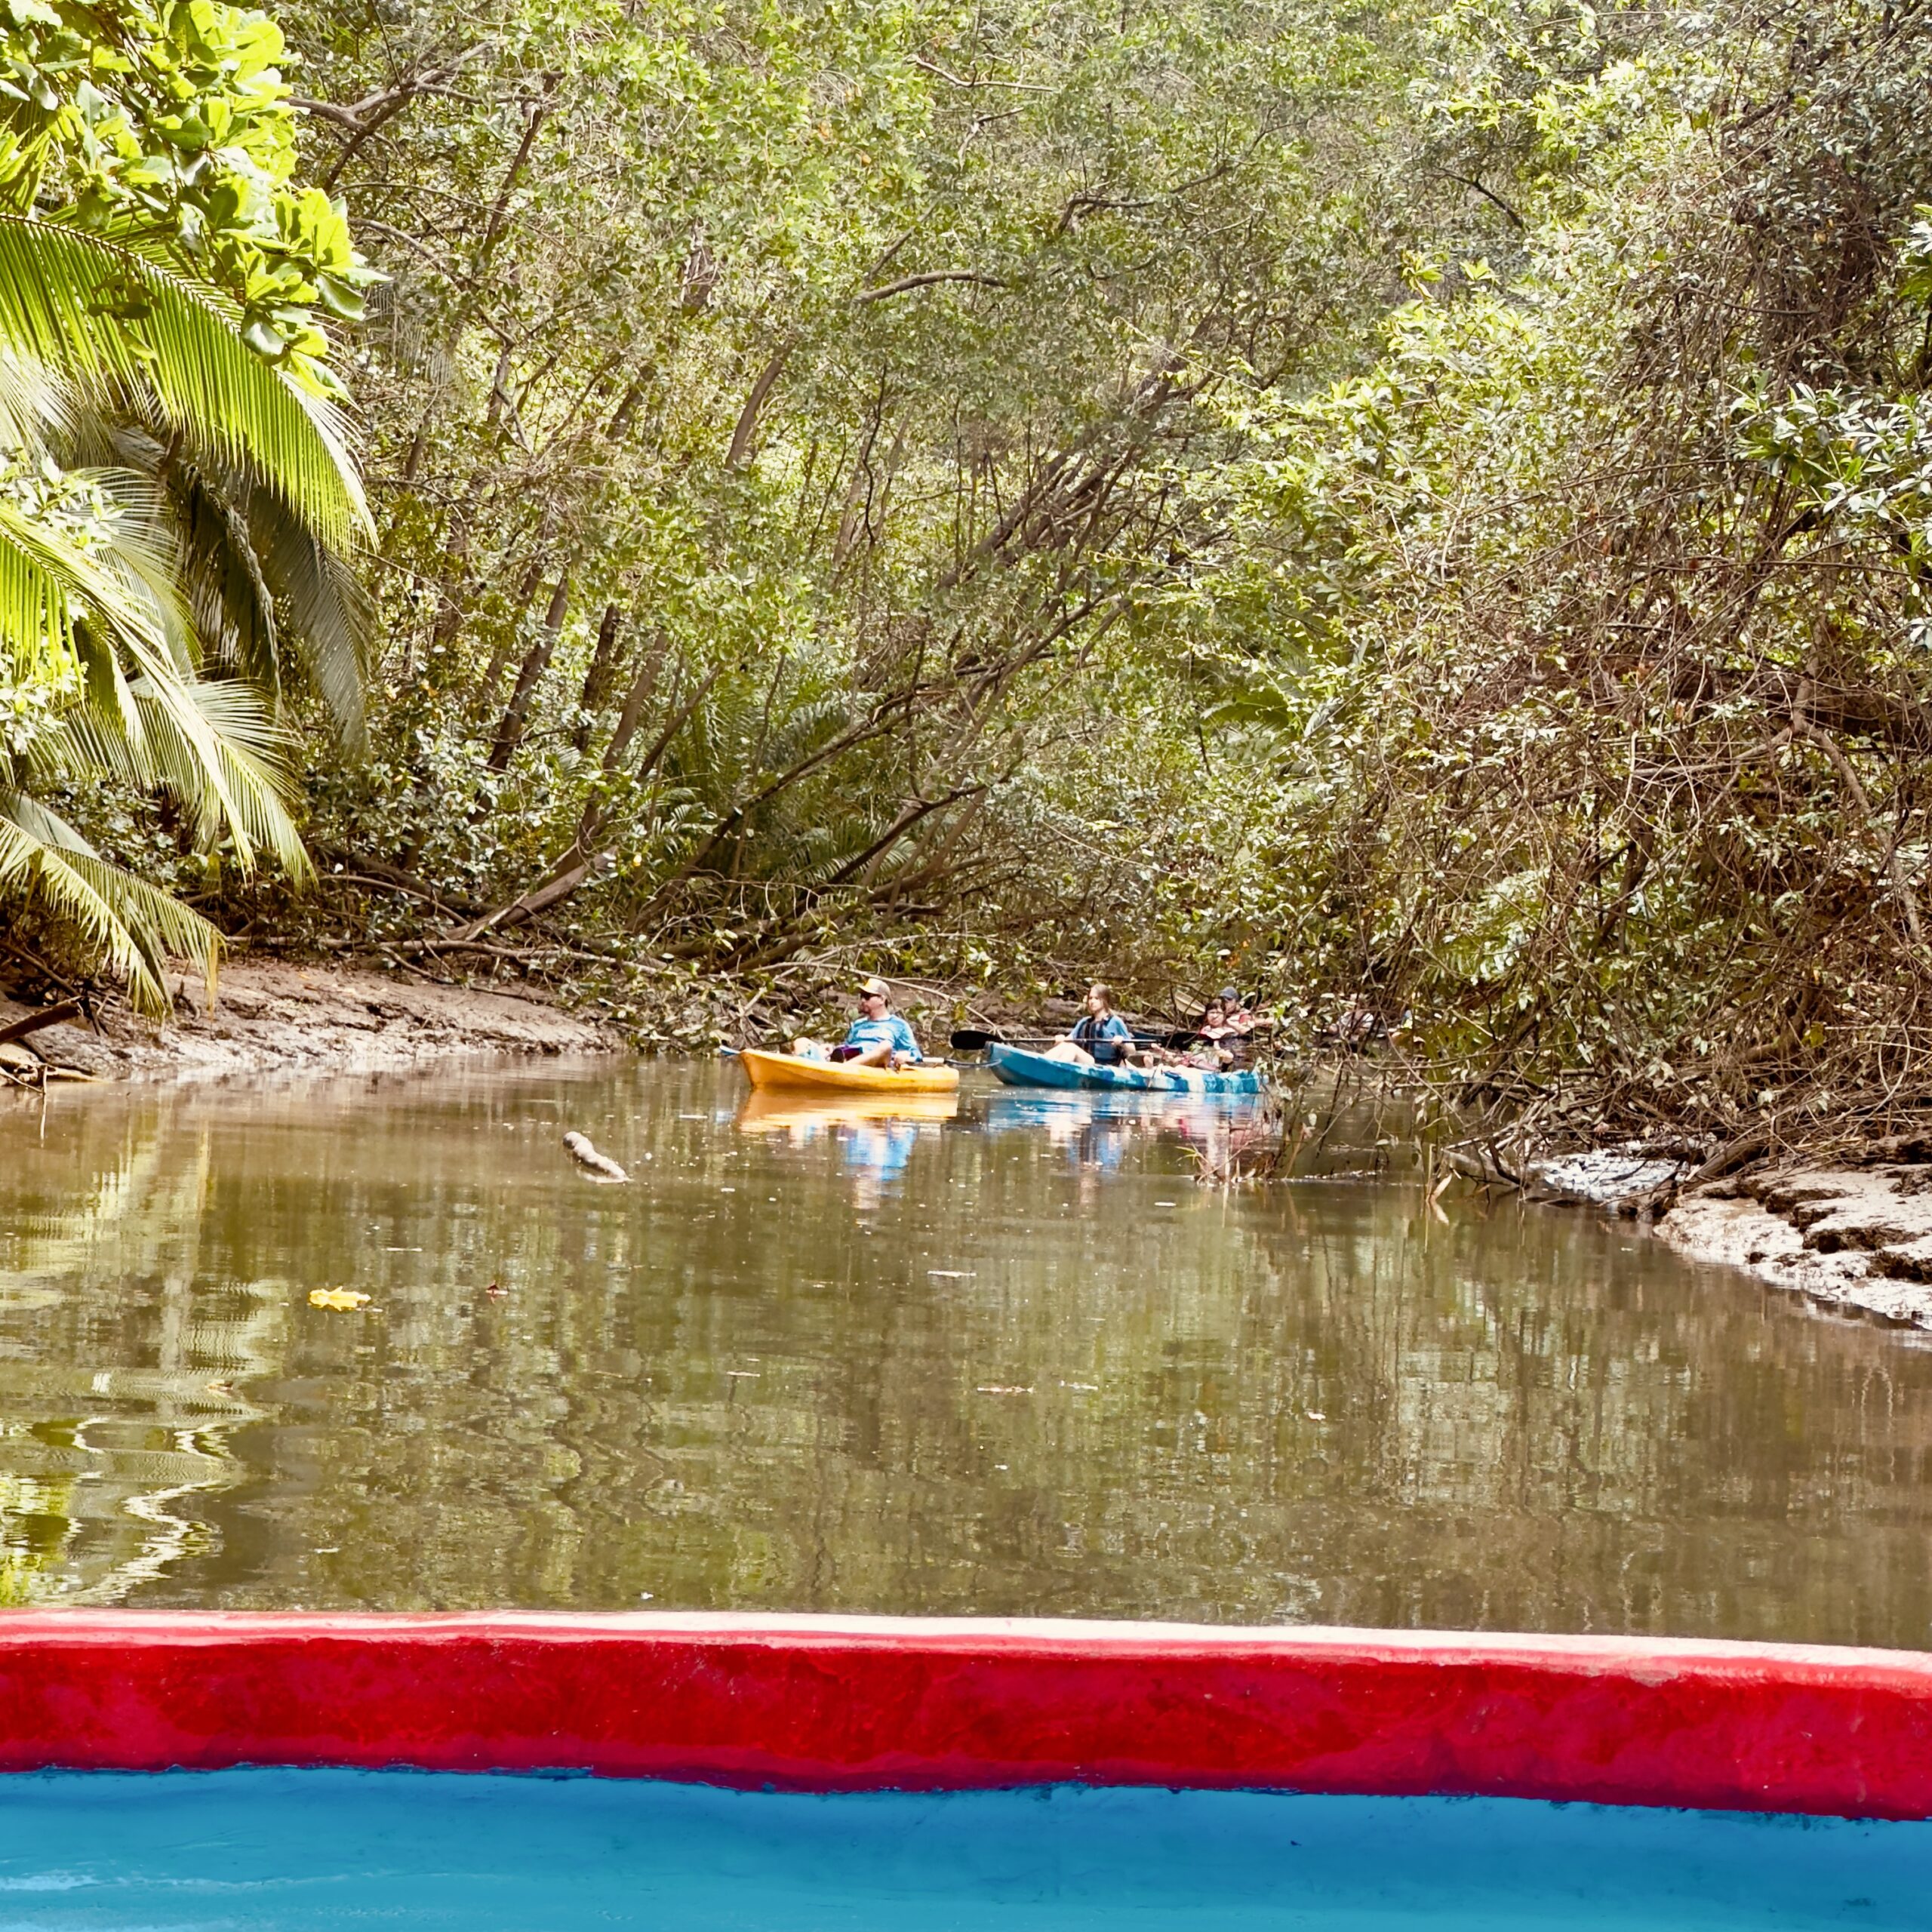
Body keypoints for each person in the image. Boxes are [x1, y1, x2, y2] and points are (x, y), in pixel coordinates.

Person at [793, 977, 924, 1069]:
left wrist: (907, 1055)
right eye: (861, 996)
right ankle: (821, 1069)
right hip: (853, 1059)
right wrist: (831, 1049)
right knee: (801, 1042)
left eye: (867, 996)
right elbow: (849, 1046)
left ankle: (839, 1070)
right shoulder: (858, 1024)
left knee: (886, 1046)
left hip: (877, 1064)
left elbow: (915, 1053)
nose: (862, 1000)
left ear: (882, 1000)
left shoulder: (898, 1025)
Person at [1045, 983, 1135, 1067]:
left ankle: (1056, 1070)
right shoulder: (1084, 1022)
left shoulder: (1115, 1022)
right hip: (1087, 1062)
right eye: (1090, 998)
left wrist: (1122, 1043)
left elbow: (1132, 1050)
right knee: (1065, 1045)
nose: (1092, 1001)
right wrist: (1060, 1040)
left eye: (1096, 998)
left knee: (1072, 1048)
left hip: (1105, 1067)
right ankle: (1042, 1062)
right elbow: (1067, 1041)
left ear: (1105, 1000)